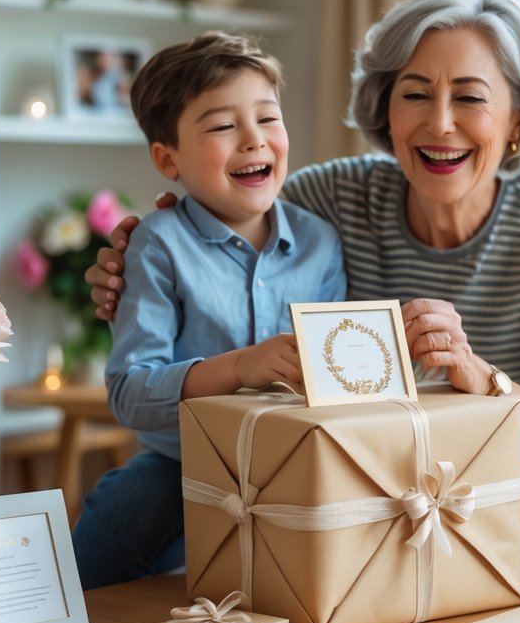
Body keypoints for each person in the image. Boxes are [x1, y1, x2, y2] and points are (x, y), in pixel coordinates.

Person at [87, 0, 520, 595]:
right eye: (415, 94)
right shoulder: (331, 198)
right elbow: (226, 212)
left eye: (469, 98)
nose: (440, 123)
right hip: (409, 455)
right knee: (146, 496)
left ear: (519, 117)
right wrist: (134, 256)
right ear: (385, 108)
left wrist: (479, 375)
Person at [71, 32, 346, 589]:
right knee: (119, 514)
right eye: (223, 126)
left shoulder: (320, 242)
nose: (254, 139)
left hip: (301, 464)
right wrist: (238, 368)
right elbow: (129, 392)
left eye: (267, 118)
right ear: (167, 158)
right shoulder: (157, 243)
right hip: (185, 468)